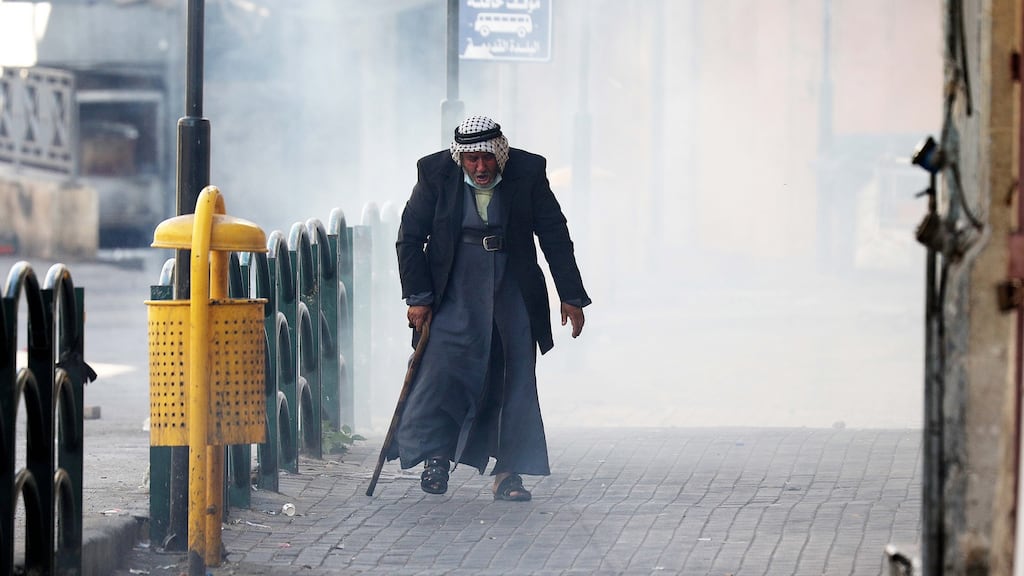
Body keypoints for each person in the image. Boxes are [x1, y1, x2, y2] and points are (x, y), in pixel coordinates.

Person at [390, 115, 591, 501]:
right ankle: (435, 457)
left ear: (499, 153)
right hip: (453, 284)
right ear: (459, 158)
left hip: (510, 284)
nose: (480, 167)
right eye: (472, 160)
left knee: (513, 375)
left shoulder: (528, 171)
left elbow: (553, 233)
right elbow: (410, 239)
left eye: (487, 158)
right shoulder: (434, 173)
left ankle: (509, 474)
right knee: (441, 370)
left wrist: (571, 294)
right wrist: (418, 298)